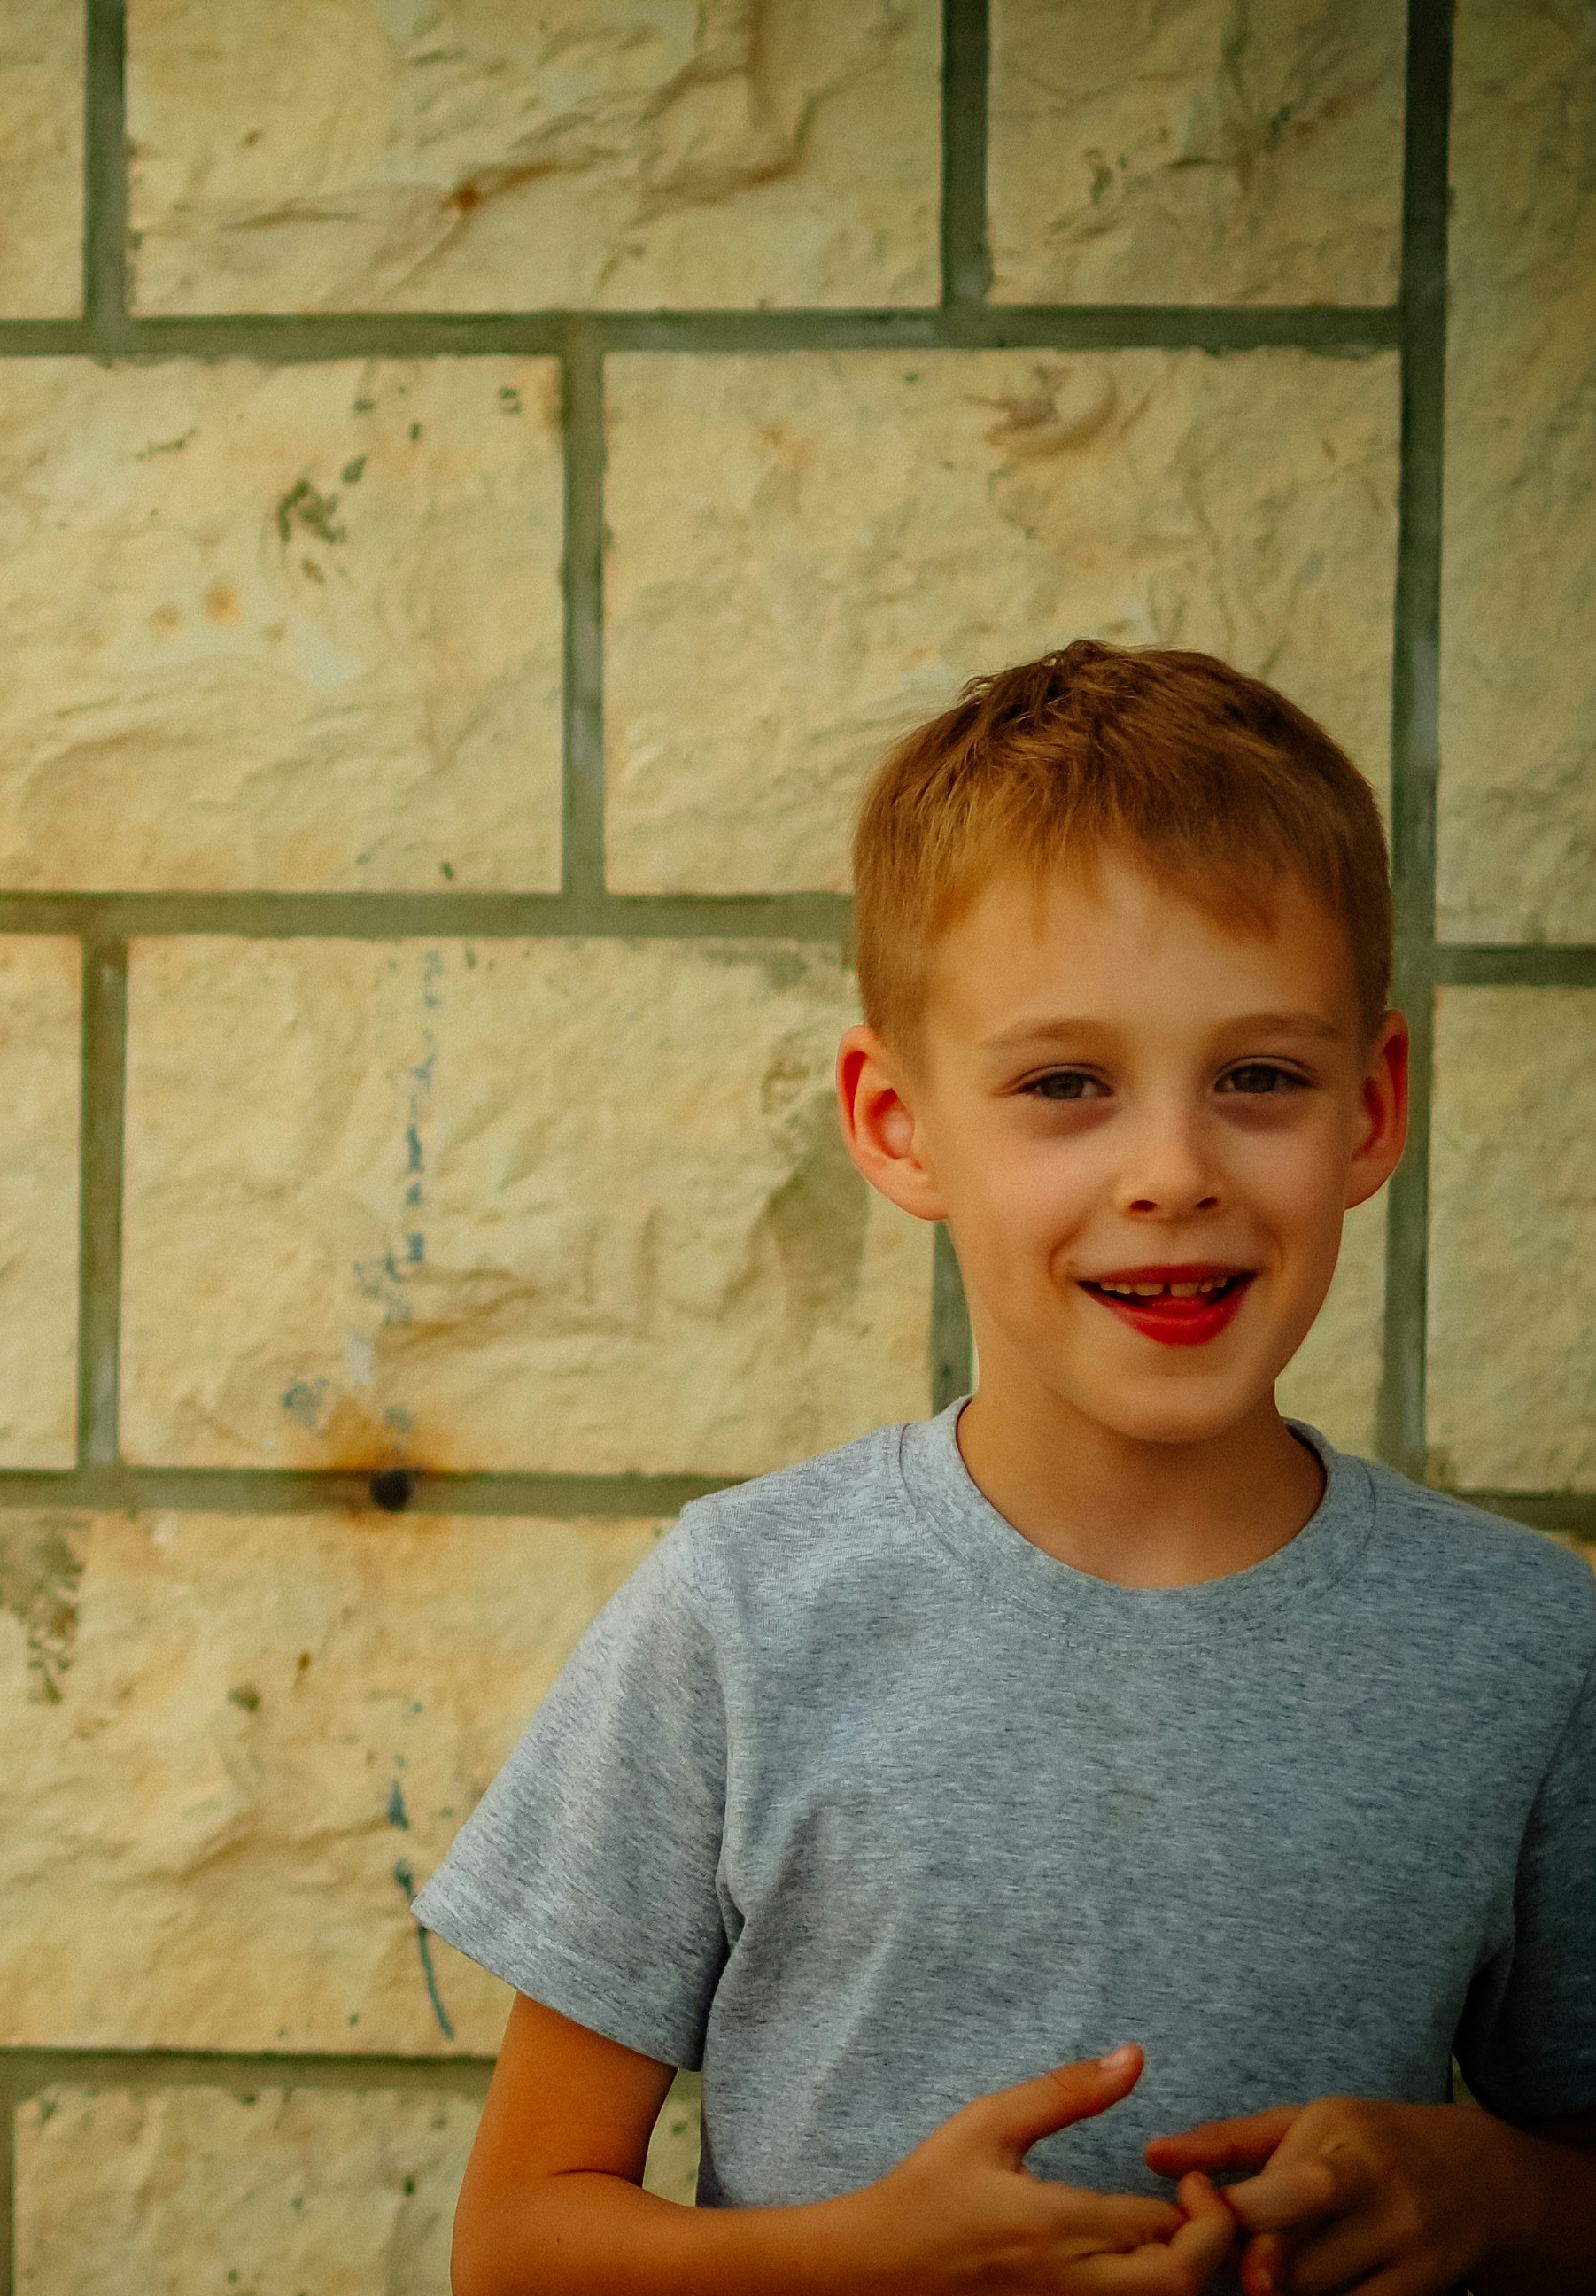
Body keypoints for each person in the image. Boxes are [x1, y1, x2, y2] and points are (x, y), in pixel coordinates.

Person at [417, 641, 1596, 2295]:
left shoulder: (1526, 1649)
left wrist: (1496, 2195)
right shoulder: (739, 1616)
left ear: (1372, 1108)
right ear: (899, 1125)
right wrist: (865, 2262)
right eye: (1066, 1085)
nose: (1173, 1171)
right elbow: (518, 2242)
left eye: (1258, 1076)